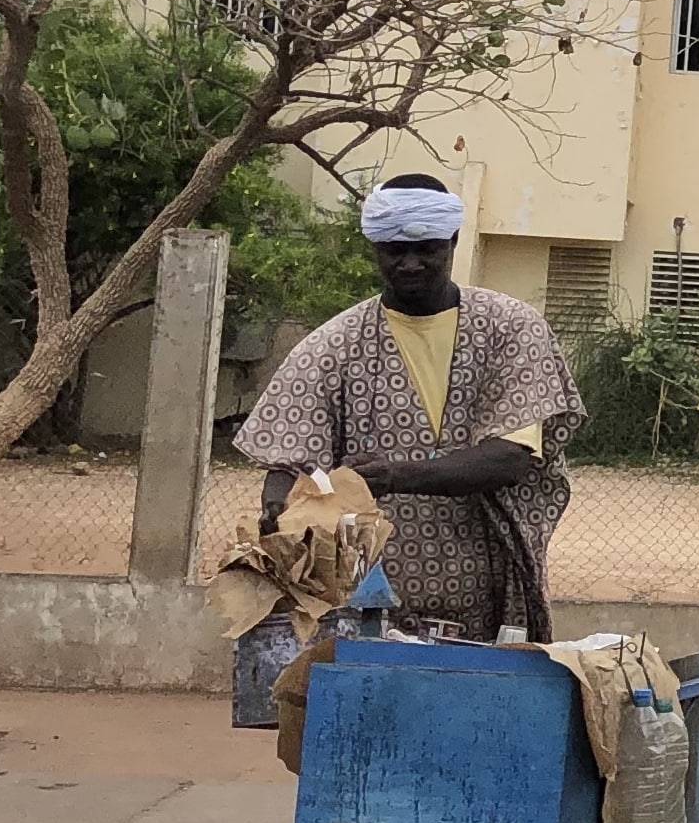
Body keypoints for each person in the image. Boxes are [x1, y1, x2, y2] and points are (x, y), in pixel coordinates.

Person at [233, 175, 583, 641]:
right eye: (394, 250)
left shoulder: (511, 329)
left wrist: (392, 477)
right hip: (368, 590)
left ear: (453, 241)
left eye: (427, 249)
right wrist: (279, 507)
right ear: (375, 246)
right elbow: (290, 461)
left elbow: (509, 458)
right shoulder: (334, 344)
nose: (410, 263)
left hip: (484, 581)